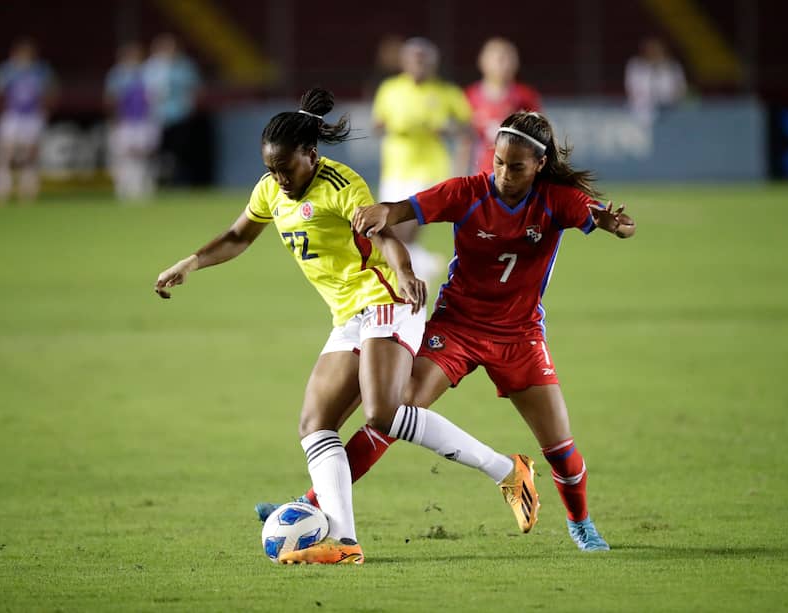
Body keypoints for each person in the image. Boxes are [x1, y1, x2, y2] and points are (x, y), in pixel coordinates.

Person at [155, 89, 538, 565]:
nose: (278, 178)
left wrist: (404, 271)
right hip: (347, 317)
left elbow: (385, 234)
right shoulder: (270, 190)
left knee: (382, 412)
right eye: (270, 169)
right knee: (315, 426)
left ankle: (505, 469)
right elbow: (238, 237)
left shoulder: (341, 185)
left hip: (385, 299)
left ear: (311, 155)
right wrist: (190, 264)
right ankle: (346, 541)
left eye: (286, 168)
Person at [262, 111, 635, 552]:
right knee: (394, 412)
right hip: (457, 325)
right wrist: (382, 212)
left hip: (520, 337)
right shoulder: (468, 192)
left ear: (539, 164)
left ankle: (581, 524)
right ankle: (314, 503)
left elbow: (595, 214)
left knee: (560, 448)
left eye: (516, 167)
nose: (503, 174)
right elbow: (408, 208)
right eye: (498, 162)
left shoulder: (556, 200)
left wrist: (613, 223)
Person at [372, 37, 472, 283]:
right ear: (404, 62)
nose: (419, 64)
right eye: (414, 59)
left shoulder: (446, 92)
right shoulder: (390, 89)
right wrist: (395, 127)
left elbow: (467, 130)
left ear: (433, 63)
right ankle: (420, 263)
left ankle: (412, 267)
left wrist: (444, 129)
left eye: (423, 59)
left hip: (430, 168)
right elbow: (377, 125)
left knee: (409, 221)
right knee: (390, 227)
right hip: (395, 167)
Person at [0, 38, 58, 203]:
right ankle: (1, 189)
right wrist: (0, 111)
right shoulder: (7, 70)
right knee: (5, 154)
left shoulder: (41, 71)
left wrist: (45, 111)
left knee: (30, 155)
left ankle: (28, 190)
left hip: (32, 117)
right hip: (12, 116)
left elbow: (52, 91)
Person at [464, 37, 543, 175]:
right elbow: (465, 142)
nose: (505, 65)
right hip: (482, 175)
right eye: (500, 59)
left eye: (510, 59)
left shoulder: (525, 97)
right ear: (483, 62)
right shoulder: (470, 97)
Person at [143, 33, 201, 186]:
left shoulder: (185, 66)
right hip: (156, 117)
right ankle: (158, 184)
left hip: (180, 115)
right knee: (156, 154)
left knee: (181, 153)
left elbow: (193, 89)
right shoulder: (151, 67)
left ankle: (181, 183)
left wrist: (188, 107)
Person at [105, 42, 160, 201]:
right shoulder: (116, 75)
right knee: (125, 156)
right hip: (125, 121)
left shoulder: (147, 74)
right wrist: (114, 120)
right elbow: (111, 99)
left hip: (143, 121)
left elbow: (153, 99)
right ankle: (124, 189)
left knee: (143, 155)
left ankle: (143, 189)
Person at [624, 36, 687, 126]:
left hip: (670, 108)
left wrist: (661, 68)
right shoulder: (635, 65)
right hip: (641, 110)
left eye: (657, 49)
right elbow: (632, 89)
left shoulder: (673, 66)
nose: (654, 52)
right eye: (650, 49)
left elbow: (680, 89)